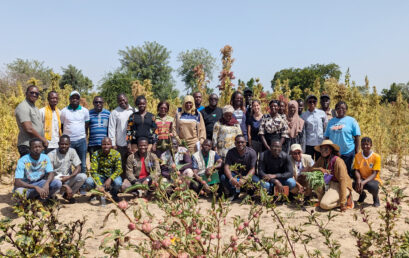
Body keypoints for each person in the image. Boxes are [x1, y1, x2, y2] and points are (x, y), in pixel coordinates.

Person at [307, 140, 353, 211]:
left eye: (326, 149)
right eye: (322, 149)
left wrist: (342, 203)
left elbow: (342, 181)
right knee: (314, 179)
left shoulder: (338, 161)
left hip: (340, 186)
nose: (323, 151)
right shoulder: (321, 159)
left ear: (331, 150)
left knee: (324, 205)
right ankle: (323, 199)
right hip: (330, 184)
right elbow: (311, 169)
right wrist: (319, 169)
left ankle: (346, 200)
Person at [324, 101, 361, 178]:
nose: (340, 110)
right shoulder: (331, 121)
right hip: (333, 153)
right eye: (338, 108)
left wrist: (357, 152)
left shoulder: (352, 121)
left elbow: (357, 137)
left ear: (346, 109)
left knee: (346, 173)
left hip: (348, 152)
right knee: (334, 172)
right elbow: (327, 137)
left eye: (343, 108)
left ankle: (347, 188)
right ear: (335, 110)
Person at [47, 135, 87, 203]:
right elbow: (50, 174)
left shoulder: (72, 151)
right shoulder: (51, 154)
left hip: (67, 178)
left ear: (69, 144)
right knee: (57, 182)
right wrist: (65, 185)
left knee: (83, 176)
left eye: (66, 144)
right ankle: (51, 197)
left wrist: (69, 177)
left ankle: (68, 195)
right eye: (62, 144)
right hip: (55, 180)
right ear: (58, 144)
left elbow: (78, 167)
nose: (64, 146)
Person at [83, 137, 123, 202]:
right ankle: (95, 193)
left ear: (111, 145)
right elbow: (93, 171)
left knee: (118, 182)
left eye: (108, 144)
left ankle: (114, 194)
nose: (106, 146)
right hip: (100, 176)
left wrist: (110, 179)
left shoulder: (116, 154)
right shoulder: (95, 154)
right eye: (104, 144)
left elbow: (119, 169)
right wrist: (99, 185)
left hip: (112, 176)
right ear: (101, 145)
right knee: (88, 181)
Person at [60, 90, 89, 174]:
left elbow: (86, 126)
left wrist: (85, 138)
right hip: (69, 142)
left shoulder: (84, 111)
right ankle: (68, 182)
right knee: (67, 164)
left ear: (79, 99)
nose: (75, 99)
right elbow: (62, 126)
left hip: (81, 141)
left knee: (82, 164)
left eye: (77, 98)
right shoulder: (64, 111)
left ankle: (82, 183)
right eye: (73, 98)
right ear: (69, 99)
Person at [221, 135, 257, 200]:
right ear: (235, 143)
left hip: (247, 176)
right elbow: (226, 166)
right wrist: (231, 179)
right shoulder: (231, 152)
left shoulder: (252, 152)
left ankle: (250, 194)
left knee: (257, 181)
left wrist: (245, 179)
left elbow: (252, 169)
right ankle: (235, 193)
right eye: (238, 142)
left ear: (246, 143)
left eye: (242, 142)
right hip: (236, 176)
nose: (240, 144)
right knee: (223, 177)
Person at [15, 85, 46, 157]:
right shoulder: (23, 107)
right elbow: (28, 129)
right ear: (26, 93)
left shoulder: (34, 107)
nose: (34, 95)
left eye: (37, 94)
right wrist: (43, 140)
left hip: (36, 145)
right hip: (27, 146)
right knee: (29, 167)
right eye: (32, 92)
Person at [108, 93, 135, 174]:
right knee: (121, 166)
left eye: (123, 99)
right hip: (120, 145)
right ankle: (121, 184)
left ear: (127, 99)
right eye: (119, 101)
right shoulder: (115, 112)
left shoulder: (134, 110)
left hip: (132, 144)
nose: (122, 102)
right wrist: (113, 144)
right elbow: (111, 128)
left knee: (132, 166)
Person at [353, 137, 381, 207]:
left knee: (373, 186)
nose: (365, 146)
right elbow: (356, 170)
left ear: (371, 145)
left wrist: (363, 182)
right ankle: (362, 195)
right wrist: (359, 180)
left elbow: (374, 173)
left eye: (367, 144)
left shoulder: (376, 157)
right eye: (363, 144)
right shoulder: (357, 156)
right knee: (354, 184)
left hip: (374, 179)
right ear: (361, 145)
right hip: (362, 178)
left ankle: (375, 198)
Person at [301, 95, 327, 161]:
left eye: (314, 101)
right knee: (309, 162)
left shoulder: (322, 113)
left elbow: (325, 127)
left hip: (320, 143)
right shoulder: (304, 115)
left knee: (320, 162)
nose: (312, 103)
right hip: (309, 143)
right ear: (307, 103)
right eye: (310, 102)